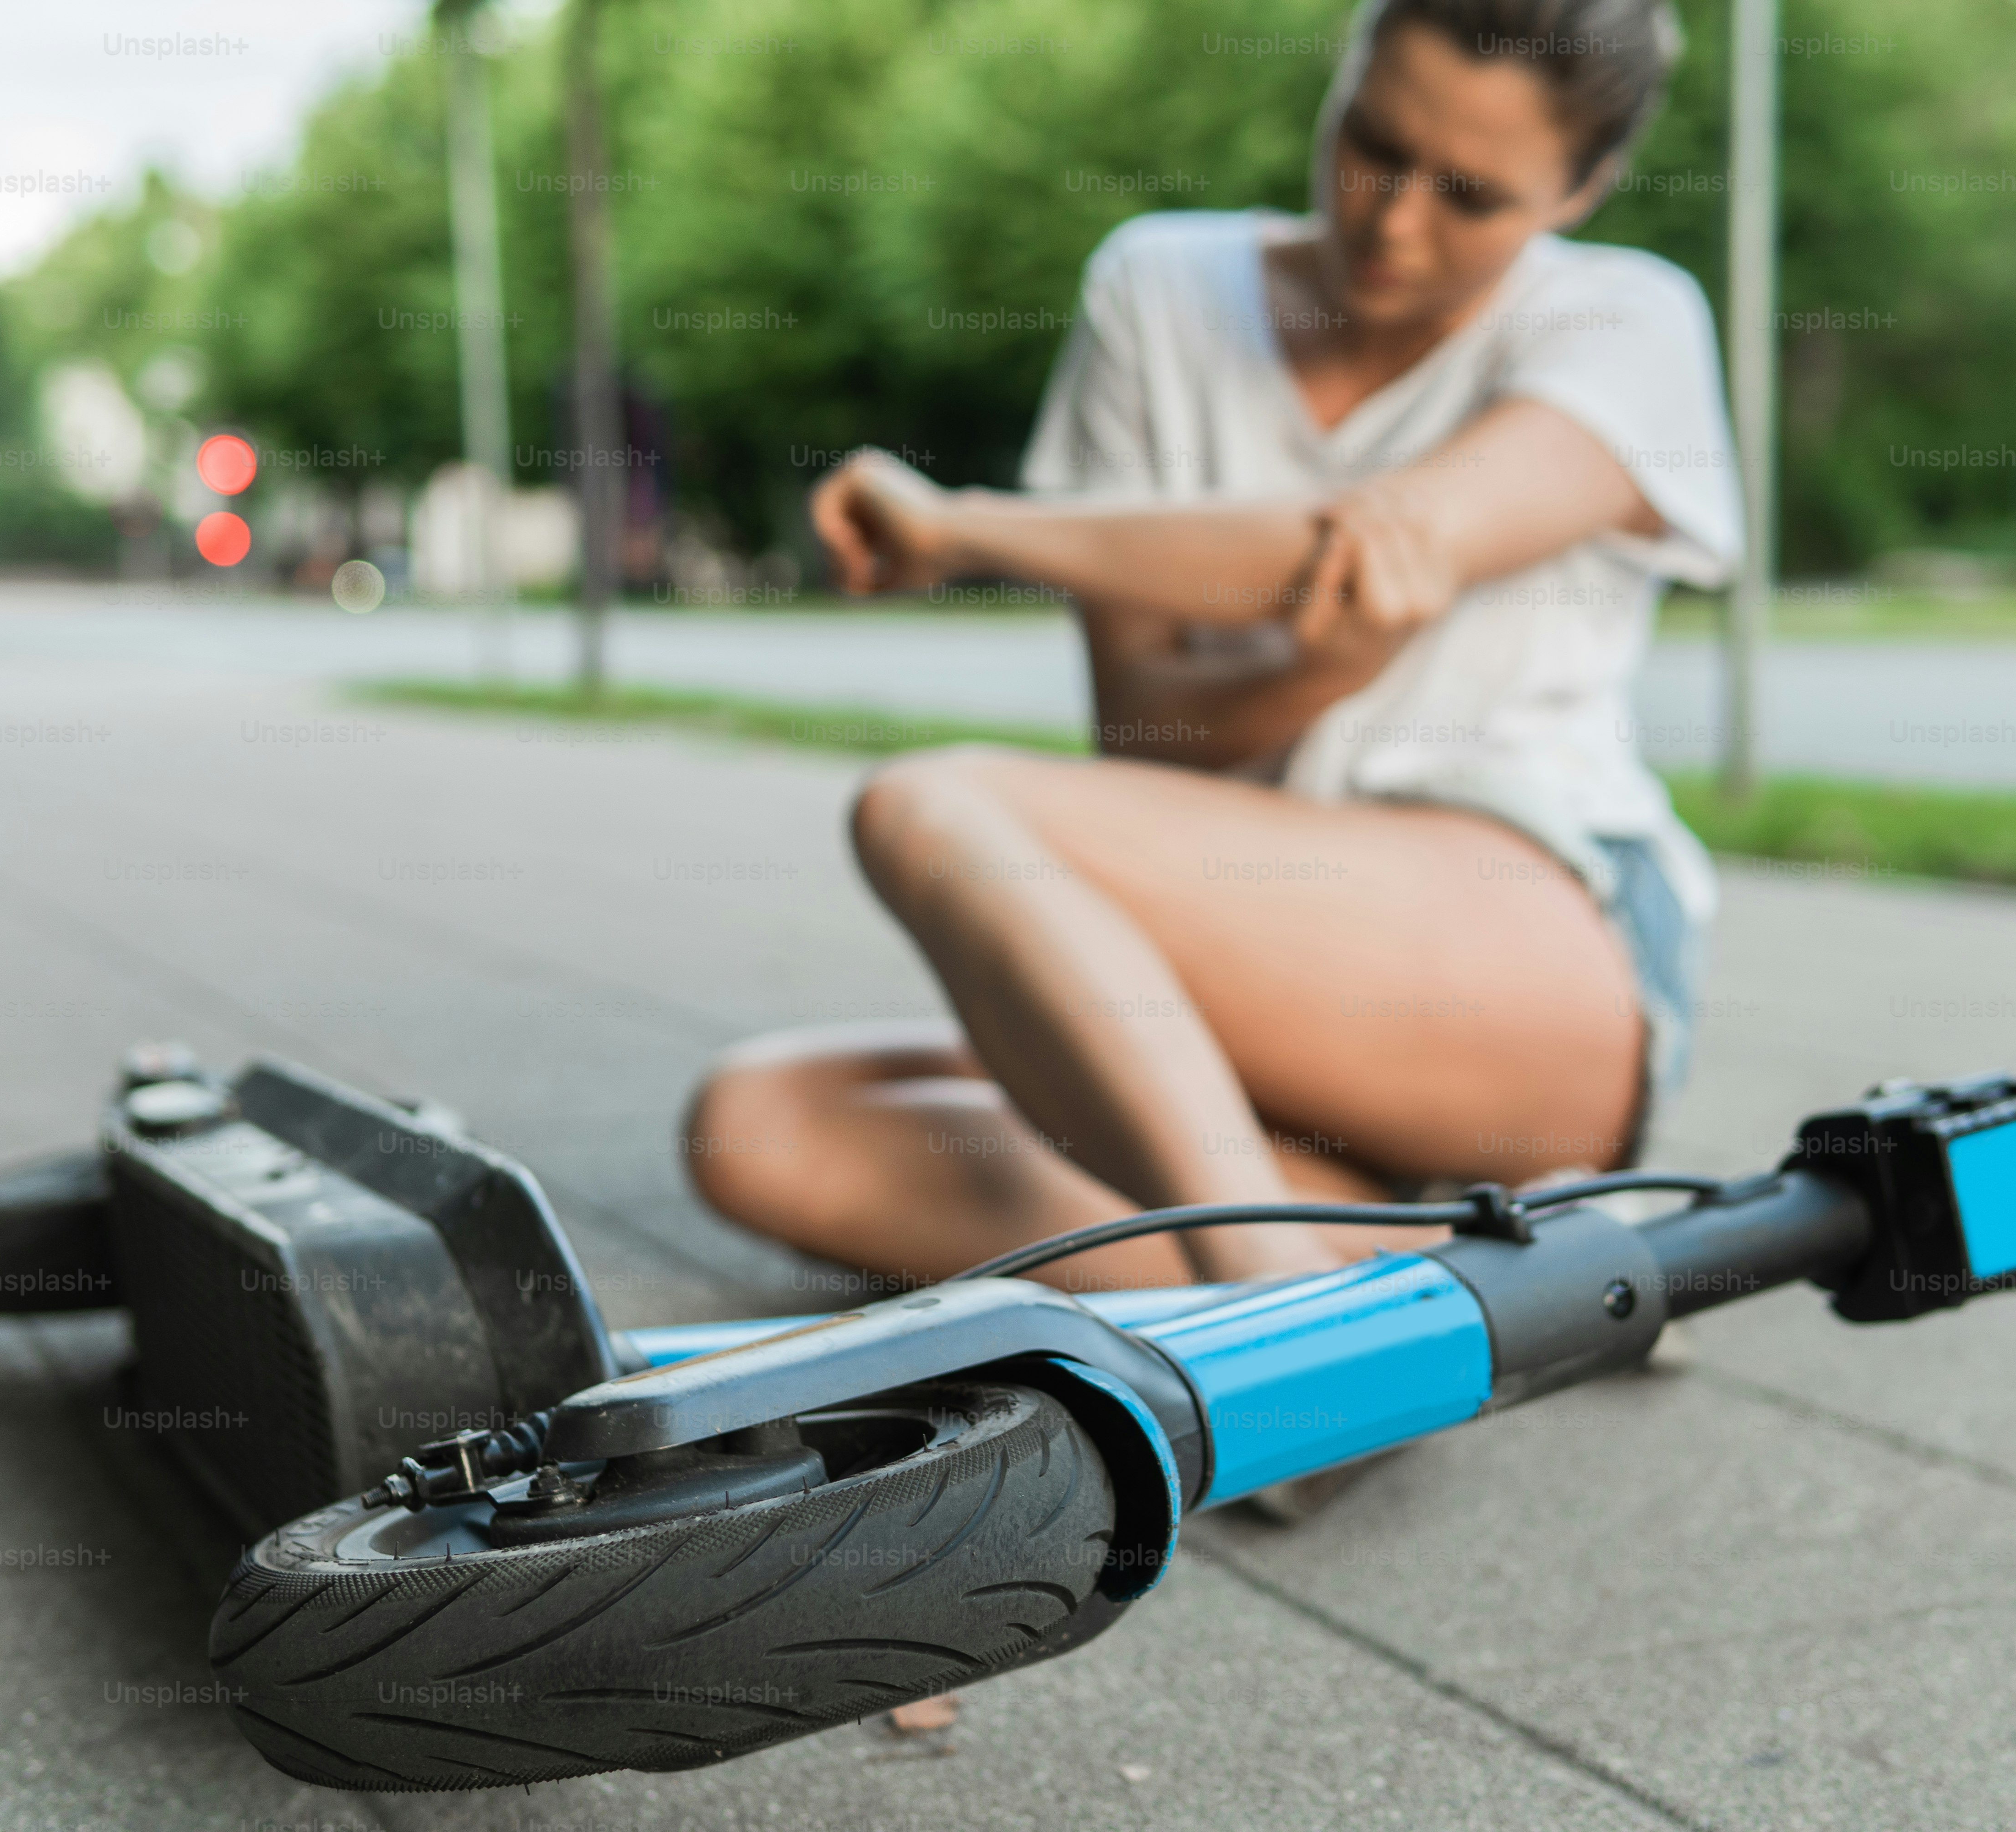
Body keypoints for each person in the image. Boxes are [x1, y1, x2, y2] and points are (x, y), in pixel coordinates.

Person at [686, 0, 1739, 1305]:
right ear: (1344, 72)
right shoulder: (1159, 289)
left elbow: (1366, 543)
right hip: (1251, 957)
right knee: (758, 1124)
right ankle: (1467, 1274)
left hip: (1536, 942)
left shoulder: (1626, 322)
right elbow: (1151, 735)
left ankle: (1289, 1331)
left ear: (1583, 186)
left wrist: (967, 528)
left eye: (1469, 194)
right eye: (1371, 142)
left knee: (934, 809)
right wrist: (1326, 663)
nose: (1393, 219)